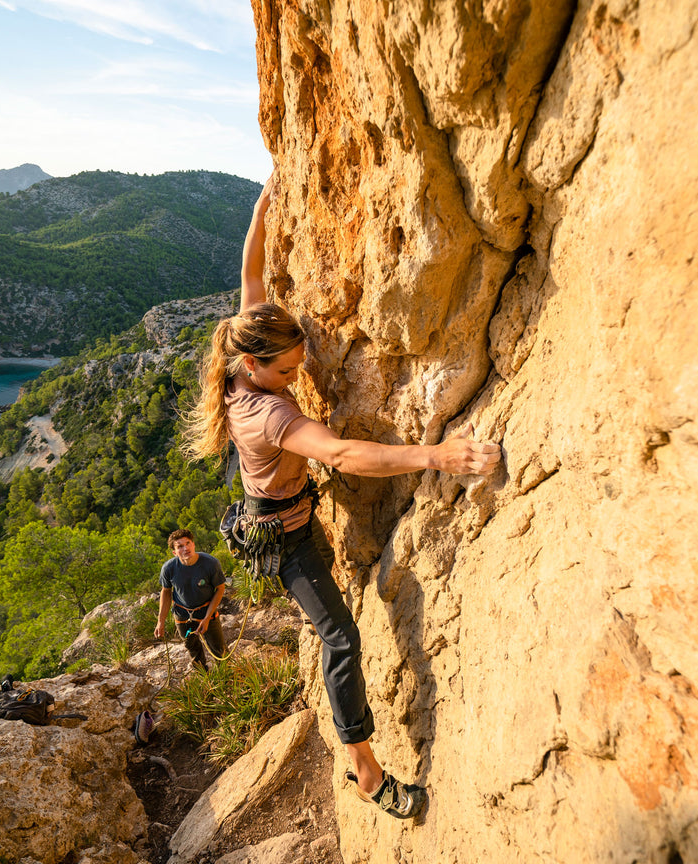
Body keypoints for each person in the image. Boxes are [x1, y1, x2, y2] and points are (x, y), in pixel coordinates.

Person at [183, 174, 501, 820]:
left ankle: (355, 741)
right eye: (289, 372)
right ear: (255, 370)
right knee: (342, 639)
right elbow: (342, 453)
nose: (297, 377)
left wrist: (262, 208)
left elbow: (250, 280)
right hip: (286, 541)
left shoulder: (245, 346)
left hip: (291, 520)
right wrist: (436, 456)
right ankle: (365, 768)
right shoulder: (264, 416)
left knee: (333, 618)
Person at [153, 529, 228, 671]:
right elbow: (166, 592)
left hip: (207, 613)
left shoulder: (210, 564)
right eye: (180, 546)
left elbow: (220, 589)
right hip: (183, 617)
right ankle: (203, 677)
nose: (185, 548)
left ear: (193, 544)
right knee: (192, 647)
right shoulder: (169, 568)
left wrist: (206, 618)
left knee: (218, 649)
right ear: (174, 552)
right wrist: (160, 621)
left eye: (188, 543)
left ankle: (228, 678)